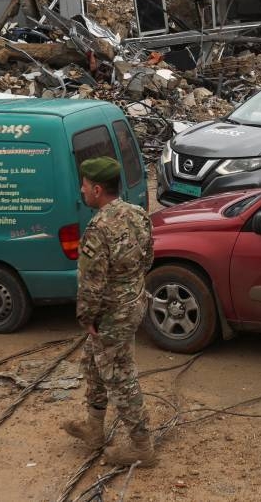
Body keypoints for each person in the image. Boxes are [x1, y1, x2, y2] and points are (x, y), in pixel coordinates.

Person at [61, 156, 157, 468]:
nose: (82, 191)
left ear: (98, 189)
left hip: (111, 315)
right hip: (133, 303)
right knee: (92, 362)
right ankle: (94, 429)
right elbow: (147, 260)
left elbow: (91, 283)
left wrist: (87, 318)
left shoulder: (98, 228)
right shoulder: (139, 214)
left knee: (119, 375)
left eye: (85, 186)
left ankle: (142, 445)